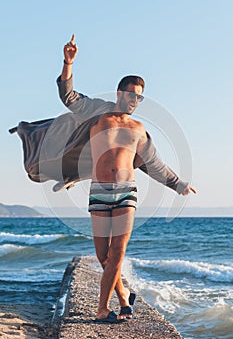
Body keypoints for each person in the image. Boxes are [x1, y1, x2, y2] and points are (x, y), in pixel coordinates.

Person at [57, 34, 196, 323]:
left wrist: (178, 183)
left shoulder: (139, 127)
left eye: (140, 96)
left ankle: (102, 309)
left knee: (117, 253)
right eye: (132, 94)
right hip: (98, 191)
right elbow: (69, 97)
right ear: (119, 93)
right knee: (104, 257)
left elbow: (153, 163)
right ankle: (124, 298)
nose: (136, 100)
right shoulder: (98, 112)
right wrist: (68, 63)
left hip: (126, 192)